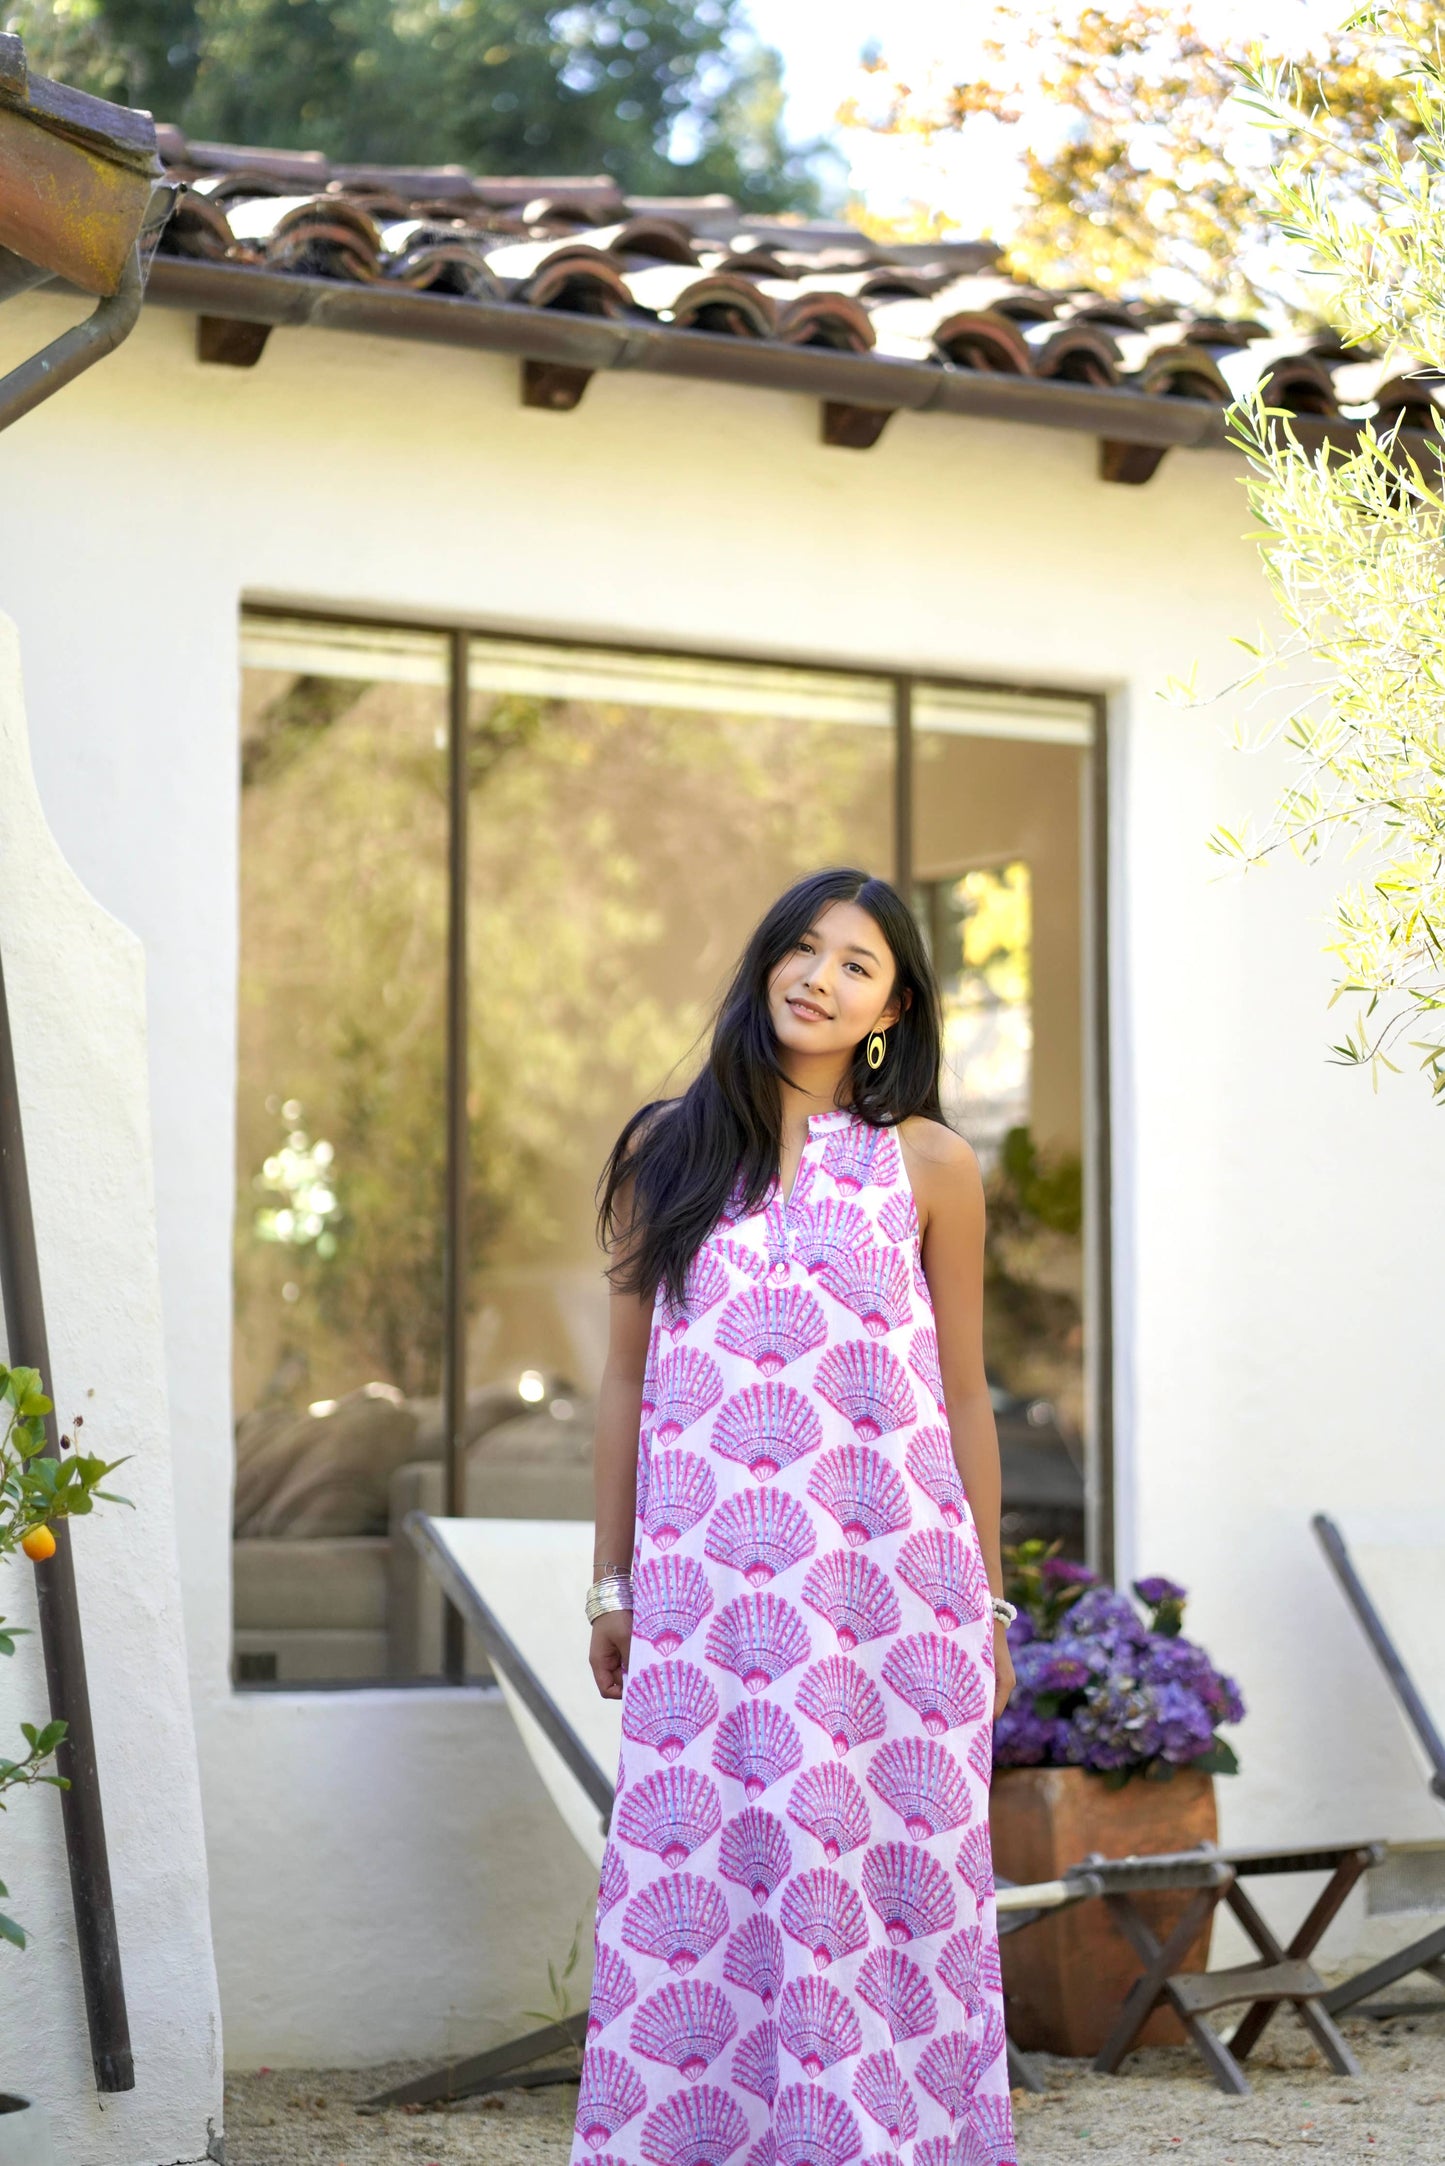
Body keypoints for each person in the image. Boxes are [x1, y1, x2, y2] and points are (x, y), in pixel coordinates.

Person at [573, 866, 1018, 2166]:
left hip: (892, 1610)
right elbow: (625, 1380)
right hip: (711, 1606)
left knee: (884, 1901)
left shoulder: (927, 1162)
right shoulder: (665, 1149)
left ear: (891, 1005)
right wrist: (611, 1583)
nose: (819, 975)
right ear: (764, 961)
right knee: (698, 1891)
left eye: (857, 962)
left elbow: (964, 1398)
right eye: (803, 948)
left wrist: (986, 1604)